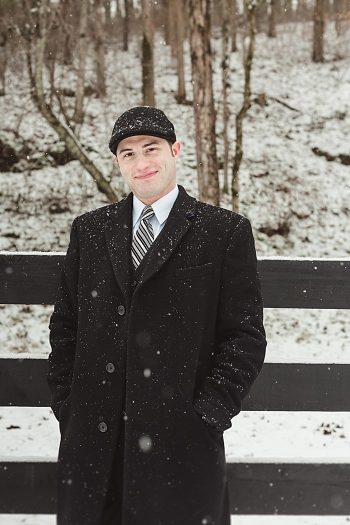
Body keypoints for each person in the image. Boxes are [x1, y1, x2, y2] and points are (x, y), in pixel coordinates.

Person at [47, 105, 267, 525]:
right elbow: (66, 326)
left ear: (175, 150)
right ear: (117, 163)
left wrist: (208, 413)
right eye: (128, 153)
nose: (141, 162)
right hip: (95, 441)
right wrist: (68, 405)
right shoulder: (90, 231)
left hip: (180, 439)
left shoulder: (223, 232)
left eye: (151, 148)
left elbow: (245, 336)